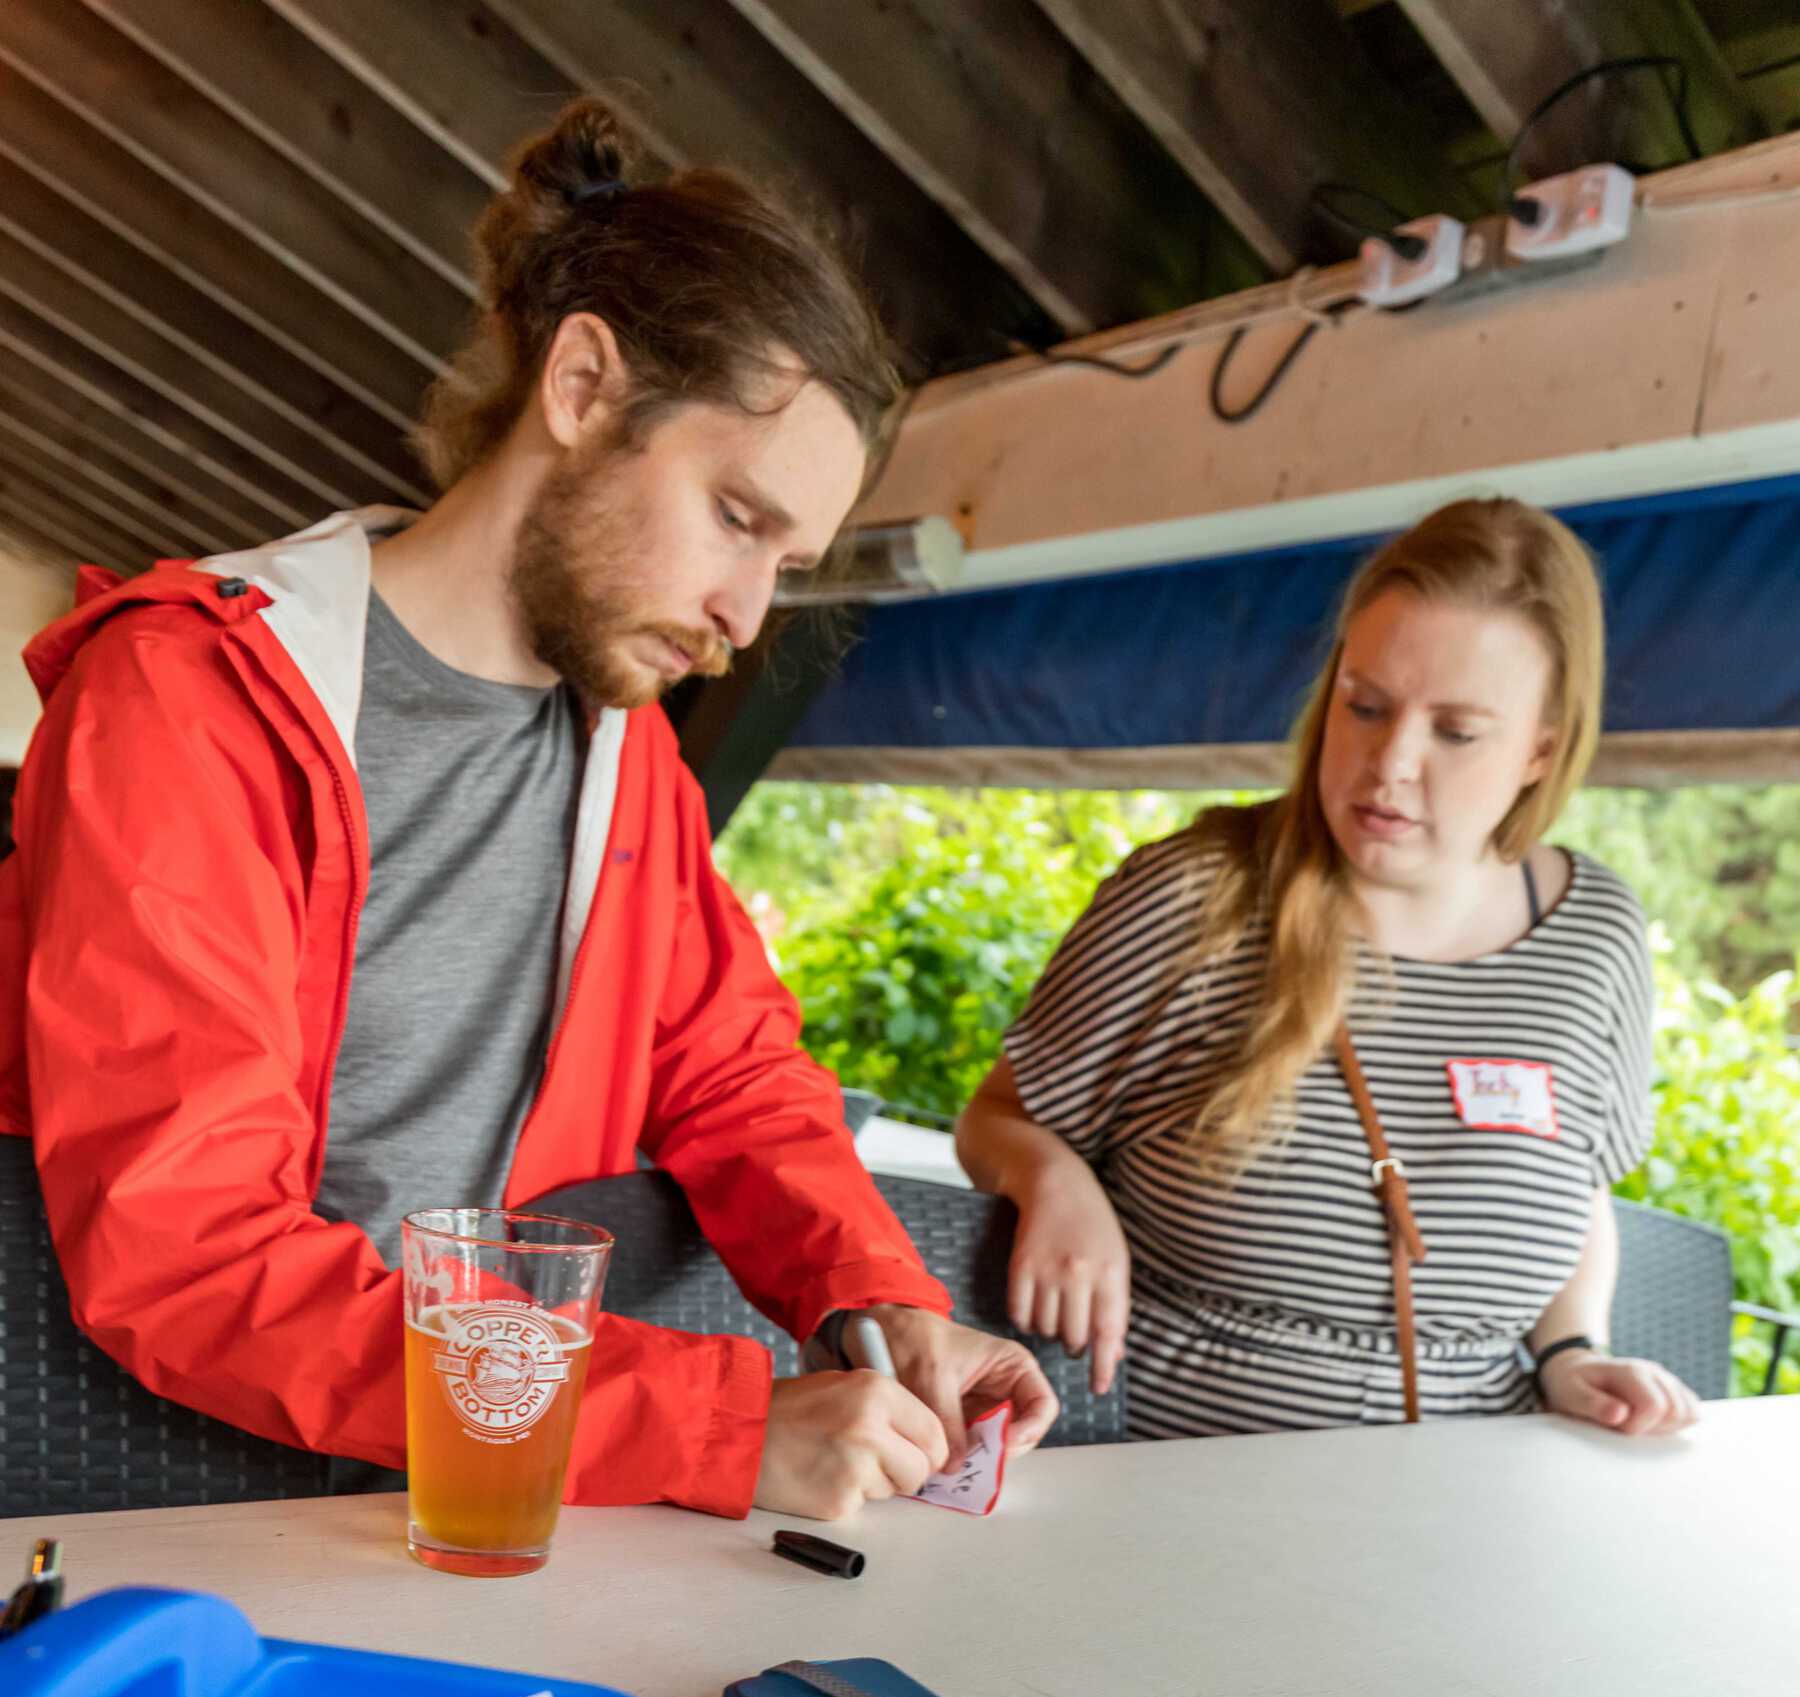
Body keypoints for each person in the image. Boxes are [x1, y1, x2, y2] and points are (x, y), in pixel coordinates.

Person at [0, 96, 1053, 1523]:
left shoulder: (633, 765)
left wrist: (880, 1303)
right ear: (581, 385)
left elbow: (735, 1078)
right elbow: (189, 1255)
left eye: (787, 564)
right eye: (738, 517)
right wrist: (716, 1425)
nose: (746, 619)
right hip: (160, 1470)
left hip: (489, 1461)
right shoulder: (185, 695)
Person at [957, 498, 1697, 1439]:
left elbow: (1571, 1187)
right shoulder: (1195, 896)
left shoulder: (1597, 937)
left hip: (1470, 1507)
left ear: (1541, 749)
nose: (1390, 762)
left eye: (1457, 731)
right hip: (1166, 1497)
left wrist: (1571, 1354)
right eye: (1367, 705)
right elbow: (995, 1119)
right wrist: (1050, 1176)